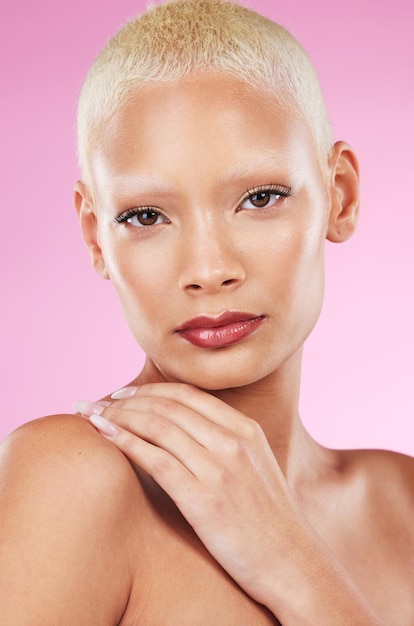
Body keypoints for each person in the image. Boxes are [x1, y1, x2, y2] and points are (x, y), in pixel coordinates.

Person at [0, 0, 413, 623]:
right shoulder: (72, 480)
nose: (208, 268)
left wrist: (294, 564)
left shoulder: (403, 504)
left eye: (260, 197)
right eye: (145, 216)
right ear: (94, 237)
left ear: (341, 195)